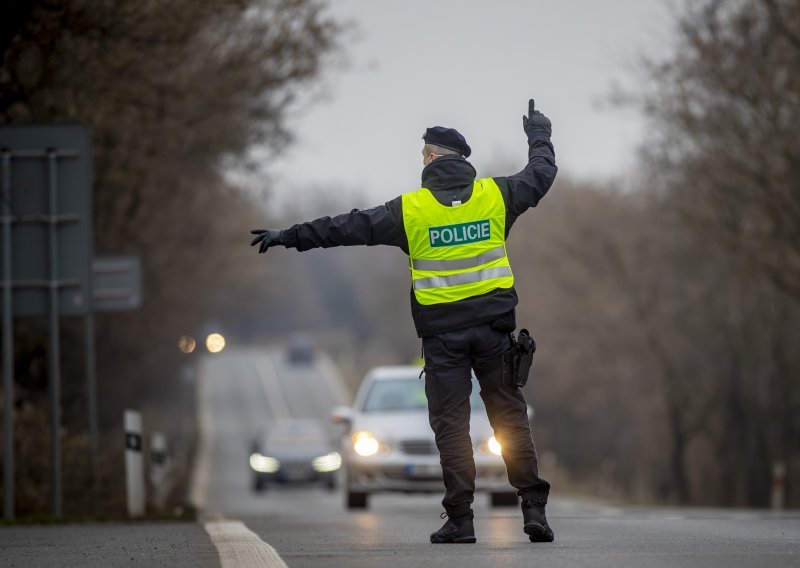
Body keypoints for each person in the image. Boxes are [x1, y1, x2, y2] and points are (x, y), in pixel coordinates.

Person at [250, 99, 557, 544]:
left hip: (444, 341)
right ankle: (533, 512)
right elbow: (540, 176)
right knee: (509, 420)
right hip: (495, 334)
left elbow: (346, 227)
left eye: (422, 154)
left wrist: (290, 236)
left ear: (432, 158)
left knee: (451, 427)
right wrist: (539, 135)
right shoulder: (497, 196)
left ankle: (462, 521)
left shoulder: (409, 211)